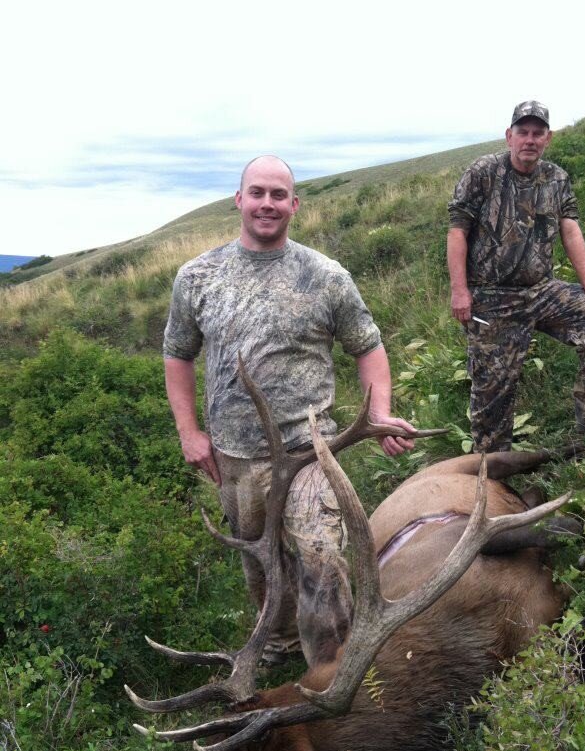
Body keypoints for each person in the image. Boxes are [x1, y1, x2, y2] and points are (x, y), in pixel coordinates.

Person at [163, 155, 415, 665]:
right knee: (261, 566)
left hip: (310, 452)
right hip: (235, 458)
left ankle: (338, 666)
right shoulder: (197, 277)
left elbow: (368, 347)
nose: (267, 204)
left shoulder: (326, 276)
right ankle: (278, 656)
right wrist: (189, 432)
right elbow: (178, 354)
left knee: (322, 561)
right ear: (238, 199)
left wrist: (380, 411)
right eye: (257, 192)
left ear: (294, 205)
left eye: (279, 195)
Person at [447, 100, 585, 452]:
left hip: (542, 291)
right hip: (492, 298)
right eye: (523, 132)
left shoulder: (556, 178)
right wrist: (460, 291)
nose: (529, 139)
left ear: (548, 138)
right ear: (509, 136)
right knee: (493, 390)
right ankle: (492, 471)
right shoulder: (482, 173)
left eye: (537, 133)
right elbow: (457, 232)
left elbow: (570, 229)